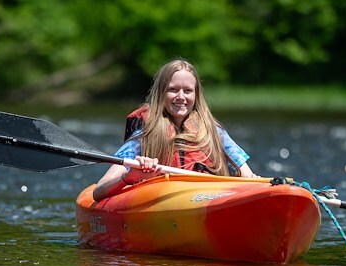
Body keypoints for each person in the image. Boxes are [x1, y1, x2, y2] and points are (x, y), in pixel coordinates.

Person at [93, 58, 257, 201]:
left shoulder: (215, 133)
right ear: (161, 93)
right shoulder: (145, 136)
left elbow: (248, 176)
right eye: (173, 89)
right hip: (165, 204)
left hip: (212, 198)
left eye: (188, 91)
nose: (181, 97)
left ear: (196, 95)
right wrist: (128, 177)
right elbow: (99, 191)